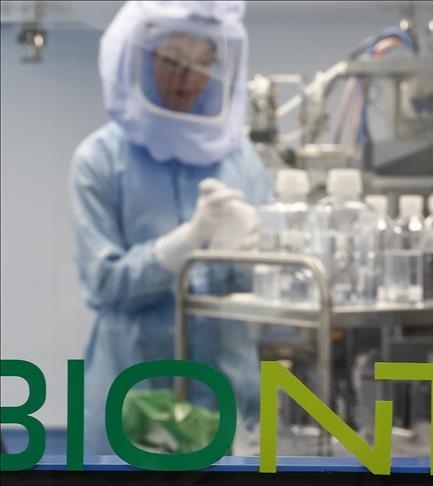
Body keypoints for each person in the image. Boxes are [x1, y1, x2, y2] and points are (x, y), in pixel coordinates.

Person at [69, 1, 269, 453]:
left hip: (227, 397)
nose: (188, 77)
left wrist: (254, 261)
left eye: (203, 62)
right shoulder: (100, 160)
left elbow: (266, 301)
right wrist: (180, 246)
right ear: (136, 60)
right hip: (135, 399)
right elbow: (103, 284)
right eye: (172, 59)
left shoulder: (242, 162)